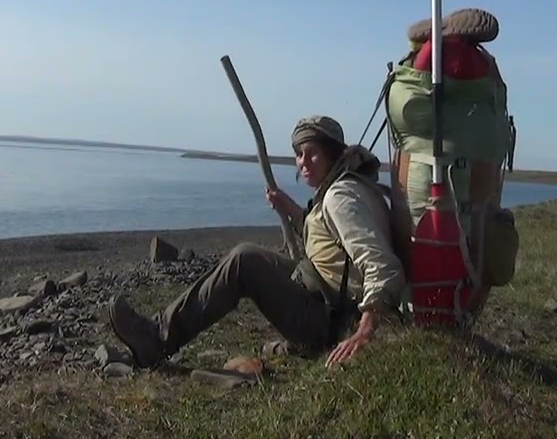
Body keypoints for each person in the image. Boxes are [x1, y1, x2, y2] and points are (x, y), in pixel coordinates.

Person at [107, 115, 407, 369]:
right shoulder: (348, 186)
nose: (303, 162)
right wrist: (291, 209)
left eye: (312, 153)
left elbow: (381, 265)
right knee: (251, 258)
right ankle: (160, 334)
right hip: (328, 302)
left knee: (244, 260)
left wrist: (365, 330)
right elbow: (333, 246)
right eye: (299, 154)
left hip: (337, 322)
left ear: (333, 152)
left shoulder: (340, 198)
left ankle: (156, 339)